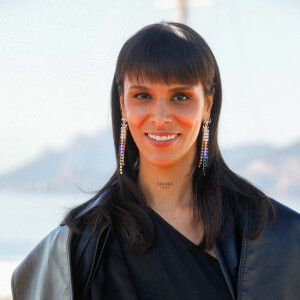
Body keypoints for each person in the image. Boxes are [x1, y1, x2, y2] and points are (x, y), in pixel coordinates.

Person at [11, 22, 299, 300]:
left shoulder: (276, 237)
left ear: (208, 103)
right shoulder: (75, 248)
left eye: (181, 96)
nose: (160, 117)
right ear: (123, 103)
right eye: (143, 95)